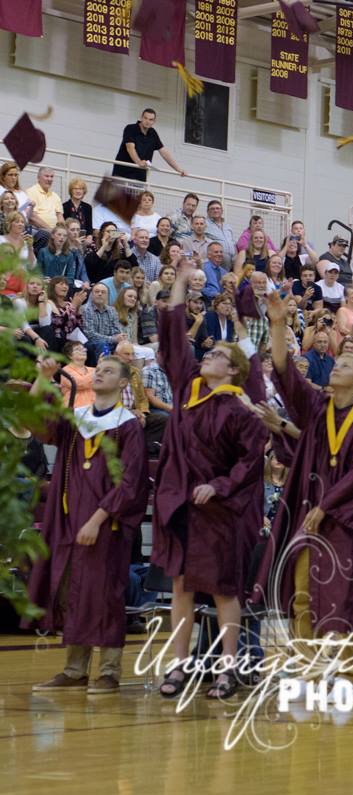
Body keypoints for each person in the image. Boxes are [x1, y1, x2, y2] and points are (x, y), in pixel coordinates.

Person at [148, 264, 268, 701]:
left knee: (221, 590)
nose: (207, 356)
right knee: (181, 585)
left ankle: (227, 669)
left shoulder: (239, 409)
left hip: (219, 510)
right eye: (209, 352)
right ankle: (180, 666)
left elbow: (251, 462)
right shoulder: (187, 391)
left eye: (217, 355)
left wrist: (218, 486)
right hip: (180, 504)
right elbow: (174, 343)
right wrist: (178, 284)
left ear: (234, 370)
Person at [259, 287, 353, 637]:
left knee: (336, 597)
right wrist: (279, 325)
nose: (334, 366)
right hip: (308, 510)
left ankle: (341, 672)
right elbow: (287, 375)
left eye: (343, 364)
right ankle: (306, 667)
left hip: (341, 520)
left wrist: (326, 508)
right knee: (301, 596)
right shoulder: (319, 409)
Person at [26, 353, 150, 694]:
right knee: (73, 593)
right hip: (69, 520)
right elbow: (41, 427)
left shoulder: (128, 426)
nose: (100, 374)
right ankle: (74, 670)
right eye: (98, 370)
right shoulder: (77, 418)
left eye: (109, 371)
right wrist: (41, 379)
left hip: (105, 524)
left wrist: (98, 519)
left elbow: (130, 483)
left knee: (105, 595)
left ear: (124, 383)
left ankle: (109, 671)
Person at [24, 166, 61, 235]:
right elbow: (32, 217)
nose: (49, 179)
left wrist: (62, 231)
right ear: (38, 178)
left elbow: (60, 216)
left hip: (54, 232)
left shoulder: (56, 196)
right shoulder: (31, 192)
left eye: (51, 176)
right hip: (38, 230)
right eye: (46, 176)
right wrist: (50, 230)